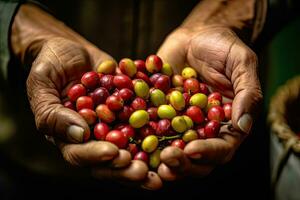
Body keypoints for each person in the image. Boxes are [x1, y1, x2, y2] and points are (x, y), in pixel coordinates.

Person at [0, 0, 266, 198]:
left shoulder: (166, 103)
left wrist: (228, 13)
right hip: (39, 167)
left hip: (225, 171)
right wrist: (24, 31)